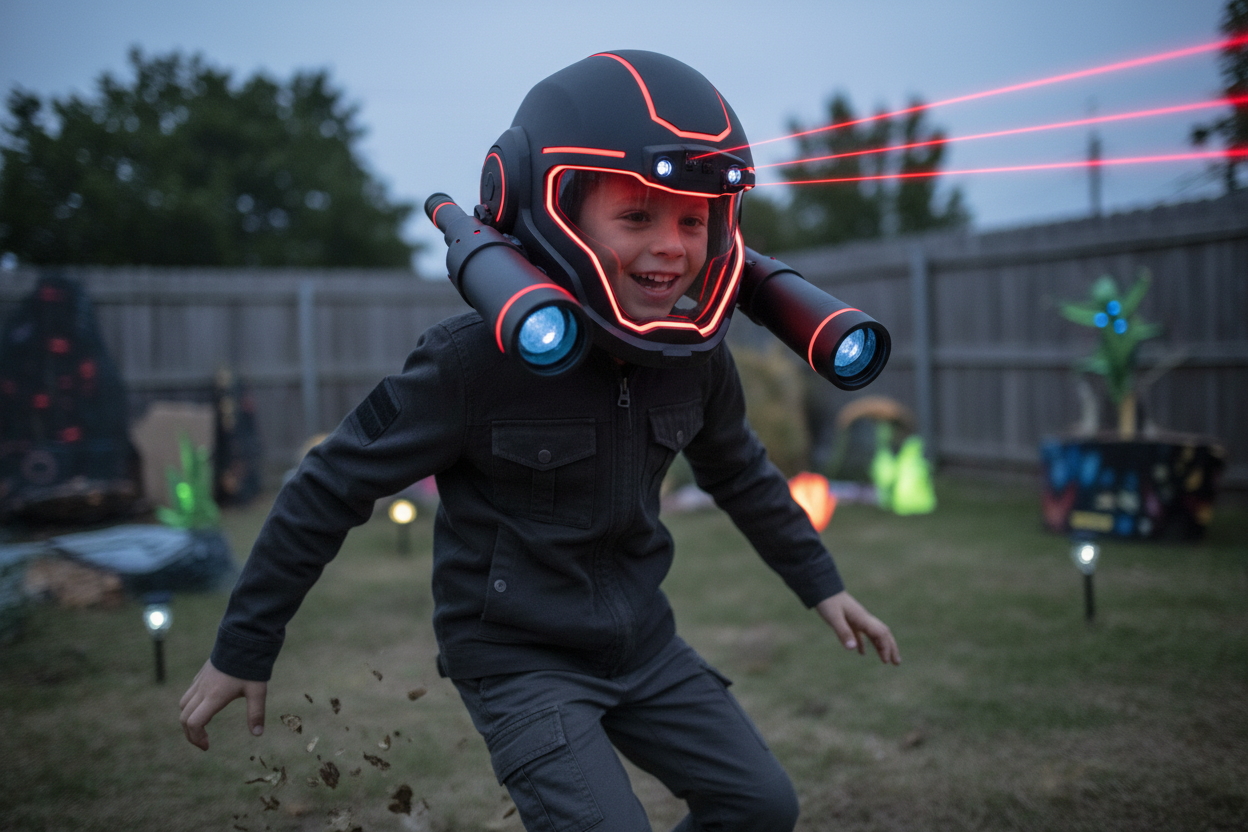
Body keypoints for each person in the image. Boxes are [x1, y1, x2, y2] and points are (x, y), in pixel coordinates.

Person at [180, 50, 900, 831]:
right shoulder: (469, 363)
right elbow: (330, 485)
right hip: (518, 660)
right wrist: (243, 648)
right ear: (551, 212)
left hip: (641, 644)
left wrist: (821, 583)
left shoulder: (696, 358)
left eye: (693, 219)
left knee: (760, 806)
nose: (671, 246)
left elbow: (741, 472)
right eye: (637, 216)